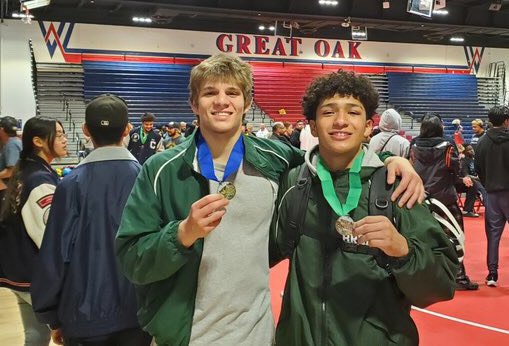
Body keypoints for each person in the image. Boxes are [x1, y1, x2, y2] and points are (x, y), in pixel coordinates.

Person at [115, 53, 424, 346]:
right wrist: (183, 234)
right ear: (194, 103)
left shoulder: (275, 158)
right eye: (210, 93)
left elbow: (332, 159)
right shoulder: (161, 170)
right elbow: (132, 261)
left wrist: (386, 159)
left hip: (257, 335)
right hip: (182, 337)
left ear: (247, 103)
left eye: (233, 93)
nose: (222, 101)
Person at [271, 70, 457, 346]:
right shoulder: (293, 184)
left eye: (353, 112)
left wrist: (402, 251)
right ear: (311, 126)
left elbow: (441, 284)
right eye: (328, 112)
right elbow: (257, 252)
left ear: (369, 126)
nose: (341, 121)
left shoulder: (397, 186)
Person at [31, 95, 151, 346]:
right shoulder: (146, 180)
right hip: (139, 311)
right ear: (128, 129)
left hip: (83, 316)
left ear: (86, 130)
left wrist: (51, 314)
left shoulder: (70, 184)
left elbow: (55, 254)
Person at [0, 117, 67, 346]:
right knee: (59, 335)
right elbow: (50, 240)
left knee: (35, 336)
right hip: (34, 276)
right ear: (38, 141)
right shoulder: (39, 180)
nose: (64, 140)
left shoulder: (26, 169)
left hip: (17, 270)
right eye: (58, 135)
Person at [410, 114, 478, 291]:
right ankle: (459, 277)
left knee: (422, 239)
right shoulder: (447, 145)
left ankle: (424, 277)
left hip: (419, 197)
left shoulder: (414, 144)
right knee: (454, 237)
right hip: (445, 198)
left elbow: (410, 166)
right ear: (440, 127)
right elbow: (454, 169)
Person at [475, 105, 509, 287]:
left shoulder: (482, 142)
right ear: (506, 120)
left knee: (493, 235)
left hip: (492, 193)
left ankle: (492, 274)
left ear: (489, 121)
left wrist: (487, 184)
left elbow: (478, 168)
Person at [460, 145, 487, 213]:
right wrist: (477, 178)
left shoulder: (475, 160)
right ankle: (488, 206)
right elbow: (466, 175)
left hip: (480, 179)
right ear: (465, 152)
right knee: (482, 189)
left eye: (472, 149)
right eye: (469, 150)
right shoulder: (464, 161)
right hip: (471, 181)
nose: (472, 150)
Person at [0, 116, 23, 195]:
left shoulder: (11, 144)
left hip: (9, 189)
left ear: (2, 130)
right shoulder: (15, 142)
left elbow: (11, 171)